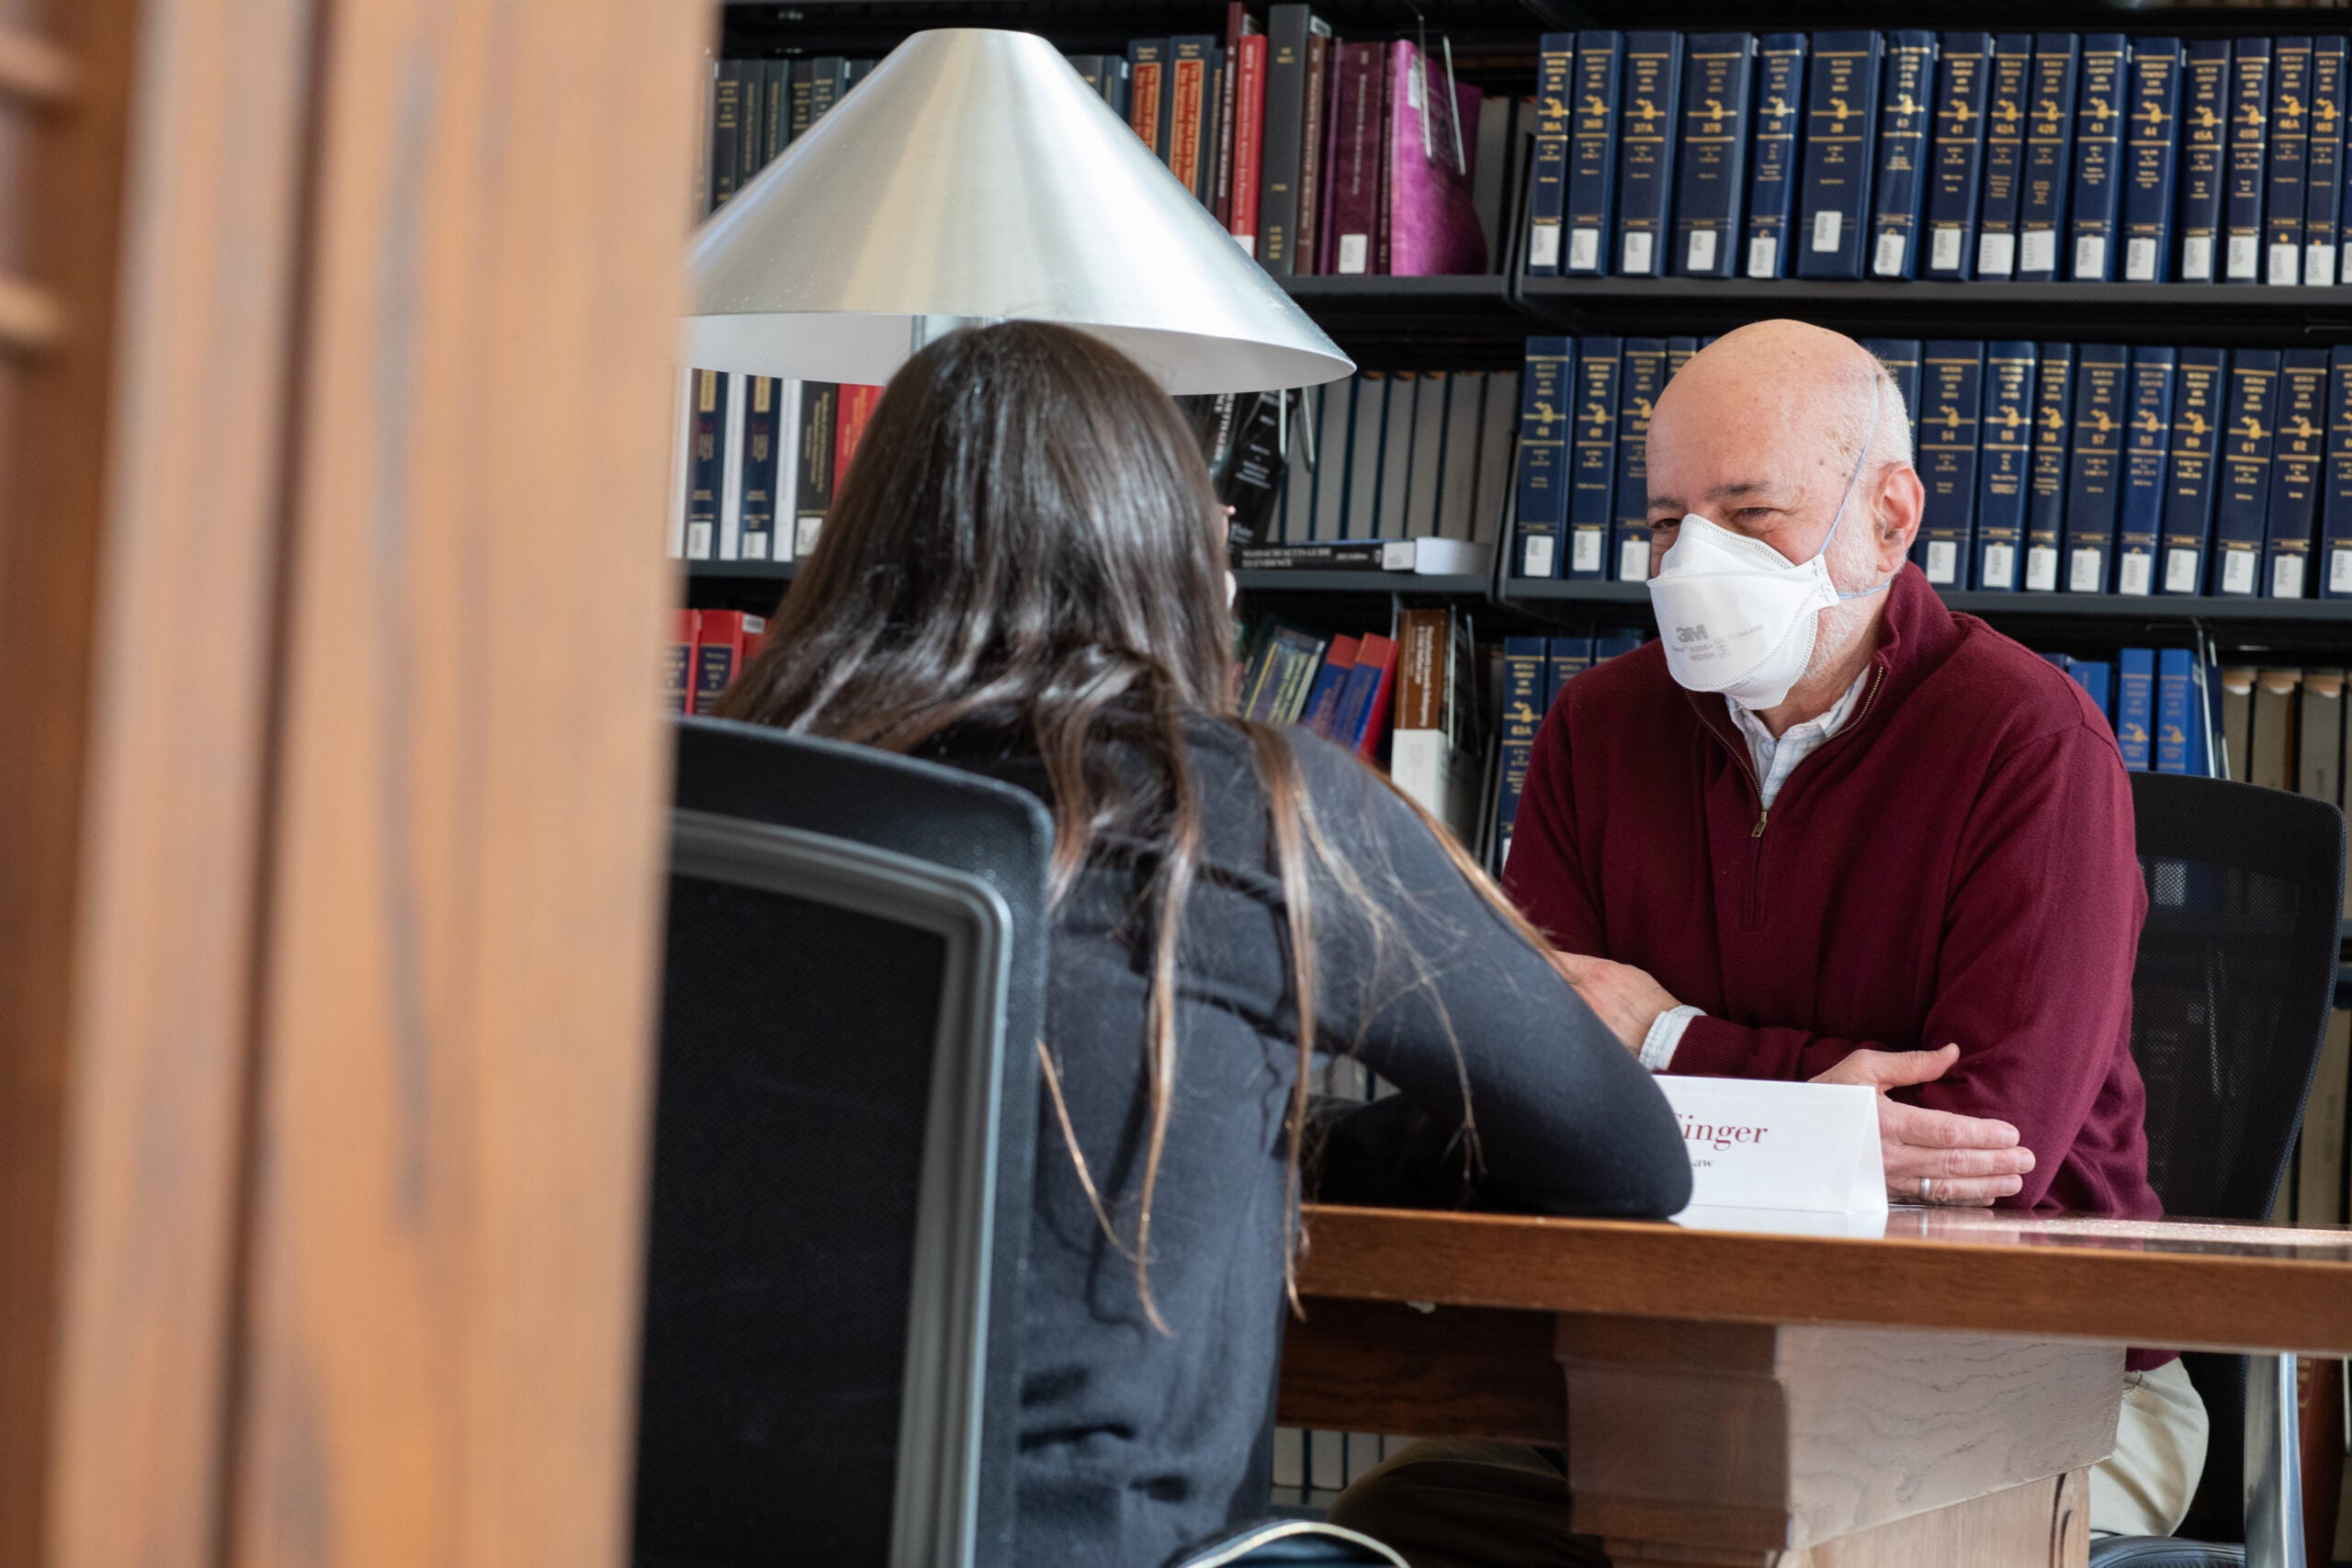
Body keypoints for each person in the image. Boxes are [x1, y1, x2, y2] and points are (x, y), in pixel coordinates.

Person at [716, 321, 1692, 1568]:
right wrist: (1282, 1137)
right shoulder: (1242, 808)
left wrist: (1243, 1127)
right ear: (1178, 561)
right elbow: (1623, 1155)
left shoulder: (711, 805)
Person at [1329, 321, 2206, 1562]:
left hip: (2030, 1368)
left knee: (1787, 1552)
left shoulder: (2031, 741)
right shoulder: (1596, 729)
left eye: (1750, 515)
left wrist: (1665, 1042)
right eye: (1665, 524)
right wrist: (1818, 1120)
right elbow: (1533, 1089)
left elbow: (1981, 1145)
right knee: (1385, 1530)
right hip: (1674, 1360)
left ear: (1889, 519)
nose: (1696, 561)